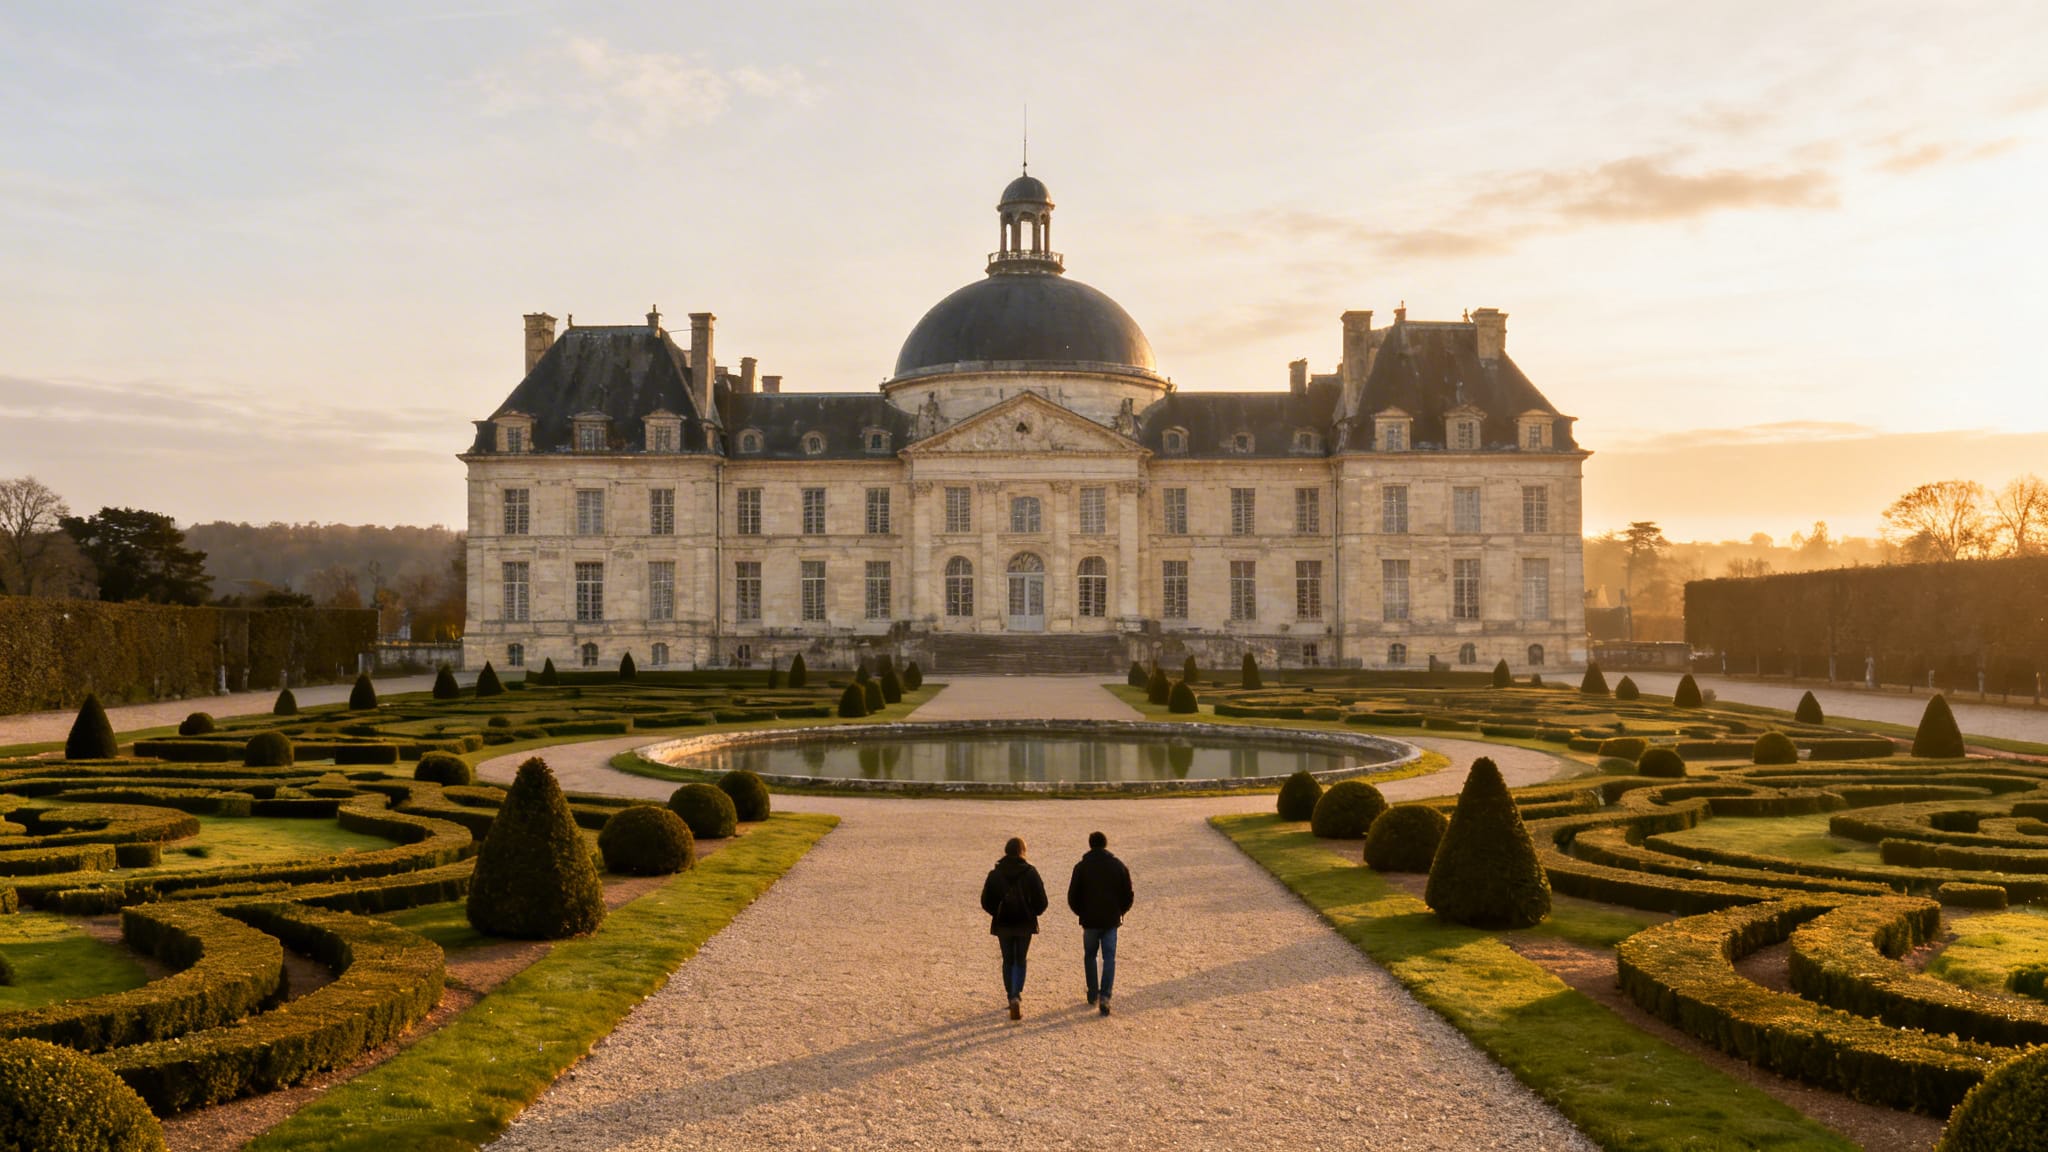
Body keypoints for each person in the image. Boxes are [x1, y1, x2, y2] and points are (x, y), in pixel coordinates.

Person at [1065, 829, 1134, 1016]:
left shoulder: (1081, 867)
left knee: (1090, 955)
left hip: (1090, 919)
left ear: (1090, 844)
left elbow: (1072, 896)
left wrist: (1082, 912)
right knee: (1109, 957)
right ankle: (1105, 996)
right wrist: (1120, 912)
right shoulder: (1118, 866)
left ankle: (1093, 991)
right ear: (1105, 844)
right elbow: (1128, 895)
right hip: (1111, 919)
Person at [980, 836, 1049, 1020]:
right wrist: (1032, 911)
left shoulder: (995, 873)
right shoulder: (1030, 872)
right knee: (1020, 959)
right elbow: (1042, 901)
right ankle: (1016, 995)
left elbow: (986, 901)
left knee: (1007, 959)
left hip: (1003, 923)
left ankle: (1010, 994)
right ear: (1022, 851)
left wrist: (997, 912)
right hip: (1025, 923)